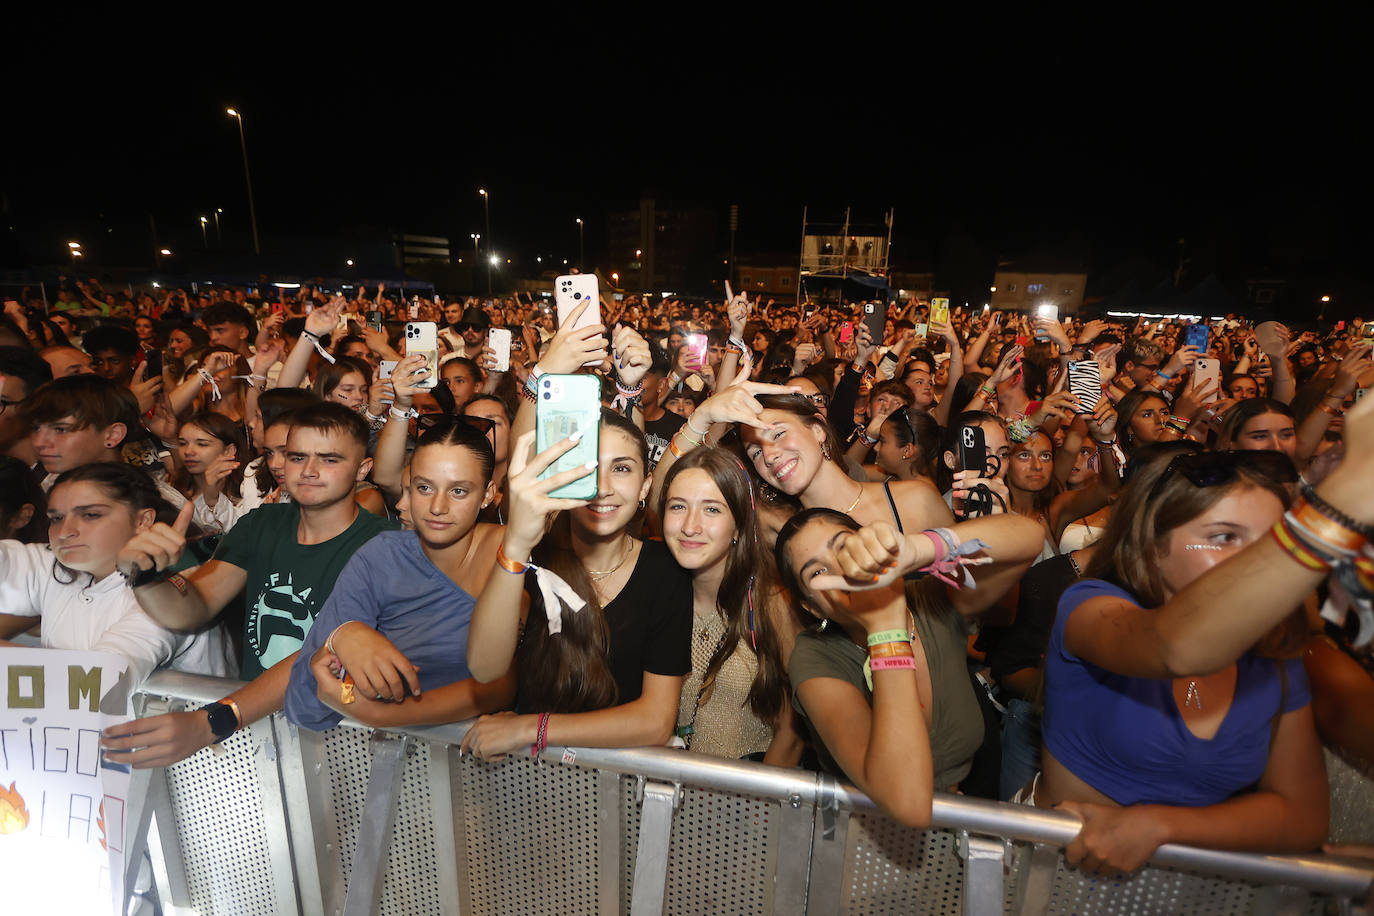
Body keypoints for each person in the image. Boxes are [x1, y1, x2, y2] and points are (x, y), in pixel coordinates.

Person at [1036, 448, 1327, 872]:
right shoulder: (1090, 608)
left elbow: (1304, 816)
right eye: (1225, 537)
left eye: (1270, 545)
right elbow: (1174, 650)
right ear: (1152, 545)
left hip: (1191, 893)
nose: (1255, 564)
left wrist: (1160, 825)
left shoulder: (1274, 653)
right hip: (1057, 882)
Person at [100, 403, 397, 767]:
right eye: (297, 456)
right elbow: (193, 607)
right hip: (257, 726)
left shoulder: (385, 545)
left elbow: (323, 651)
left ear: (362, 468)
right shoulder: (262, 524)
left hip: (342, 732)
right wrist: (146, 575)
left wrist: (216, 719)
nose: (309, 471)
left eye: (330, 459)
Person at [773, 509, 1043, 825]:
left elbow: (1029, 536)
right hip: (861, 839)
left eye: (846, 547)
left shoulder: (931, 602)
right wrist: (885, 626)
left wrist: (916, 549)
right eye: (817, 573)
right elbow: (907, 803)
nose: (842, 569)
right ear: (811, 606)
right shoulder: (815, 657)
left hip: (954, 824)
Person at [462, 410, 692, 757]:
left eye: (621, 468)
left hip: (617, 780)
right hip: (530, 776)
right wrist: (516, 545)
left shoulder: (665, 572)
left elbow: (655, 721)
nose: (602, 487)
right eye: (586, 466)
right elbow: (485, 668)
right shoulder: (532, 559)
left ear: (645, 485)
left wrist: (530, 727)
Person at [285, 421, 515, 729]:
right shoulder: (381, 558)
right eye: (424, 487)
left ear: (487, 495)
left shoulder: (515, 555)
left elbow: (506, 684)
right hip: (394, 760)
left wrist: (380, 715)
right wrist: (341, 637)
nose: (437, 506)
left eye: (458, 491)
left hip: (497, 765)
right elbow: (306, 706)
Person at [0, 463, 233, 685]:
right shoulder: (60, 567)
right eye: (57, 518)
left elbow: (101, 679)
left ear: (143, 520)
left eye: (90, 515)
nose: (65, 532)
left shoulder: (167, 590)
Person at [658, 447, 802, 764]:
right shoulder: (656, 595)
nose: (690, 526)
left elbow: (792, 732)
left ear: (738, 525)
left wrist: (756, 807)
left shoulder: (771, 604)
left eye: (712, 510)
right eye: (678, 506)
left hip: (742, 799)